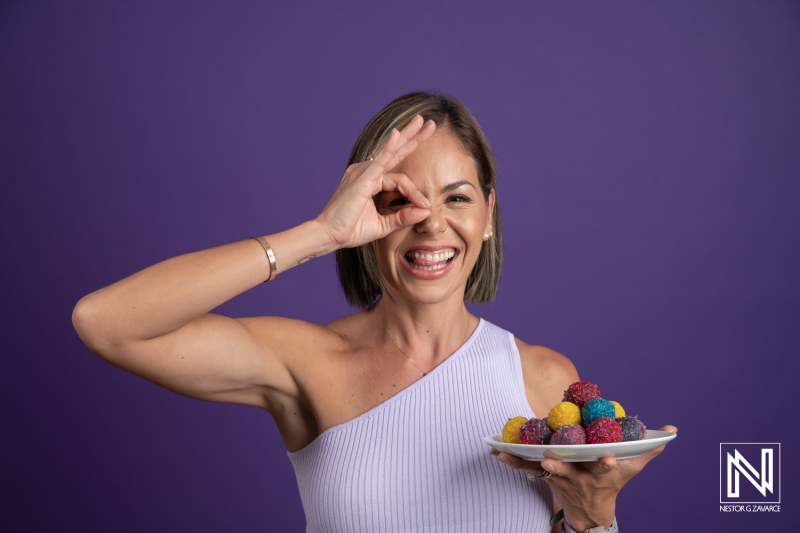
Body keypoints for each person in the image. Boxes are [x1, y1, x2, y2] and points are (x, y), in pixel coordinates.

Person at [73, 91, 676, 533]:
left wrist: (594, 519)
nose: (431, 224)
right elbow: (106, 322)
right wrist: (319, 232)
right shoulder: (305, 362)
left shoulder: (544, 378)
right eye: (398, 200)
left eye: (457, 198)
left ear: (487, 214)